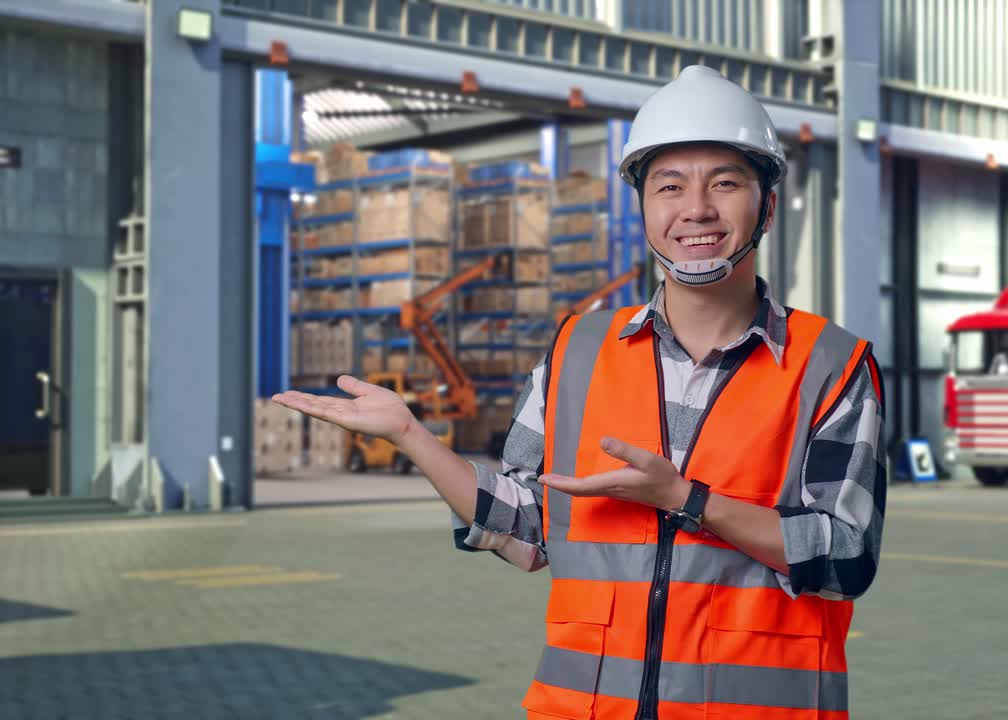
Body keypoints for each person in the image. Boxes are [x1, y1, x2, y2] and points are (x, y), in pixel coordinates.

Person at [274, 65, 887, 720]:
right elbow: (527, 525)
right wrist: (412, 438)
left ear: (766, 204)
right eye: (670, 186)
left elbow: (845, 557)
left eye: (725, 183)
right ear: (645, 208)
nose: (696, 209)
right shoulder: (577, 352)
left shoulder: (830, 365)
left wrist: (685, 500)